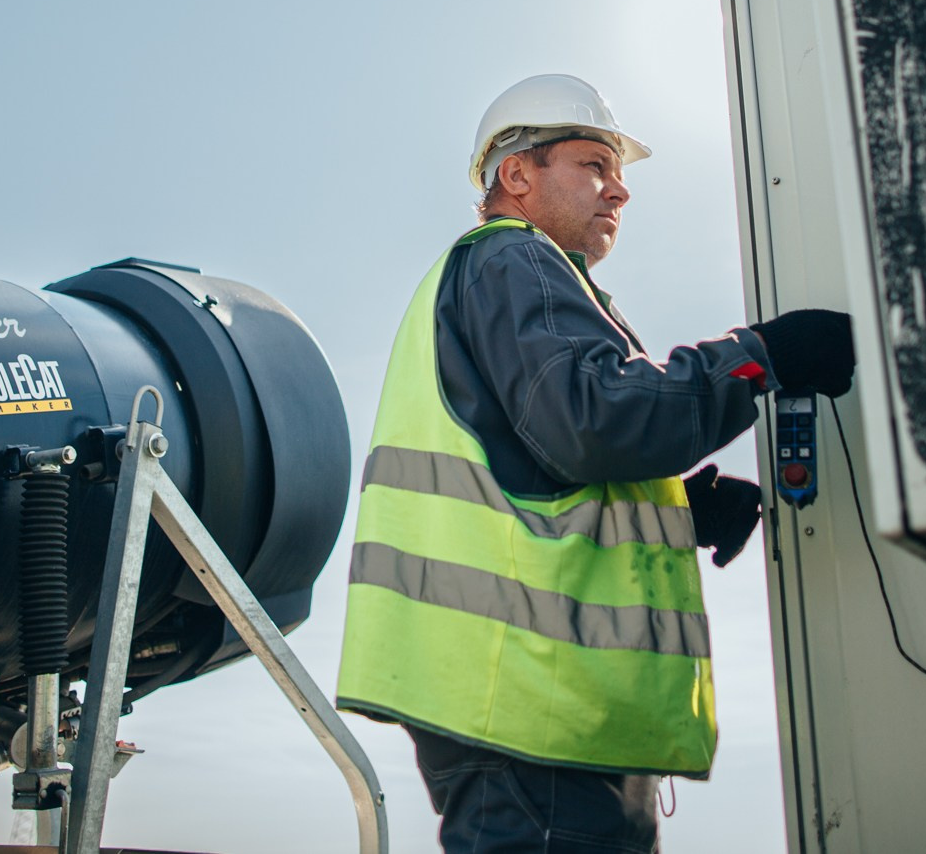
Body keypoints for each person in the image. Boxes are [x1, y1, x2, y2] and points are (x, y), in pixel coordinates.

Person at [335, 74, 855, 853]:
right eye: (595, 165)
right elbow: (592, 417)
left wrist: (676, 506)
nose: (620, 191)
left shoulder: (504, 279)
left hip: (530, 709)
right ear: (518, 174)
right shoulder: (515, 259)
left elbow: (545, 461)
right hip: (536, 711)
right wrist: (761, 358)